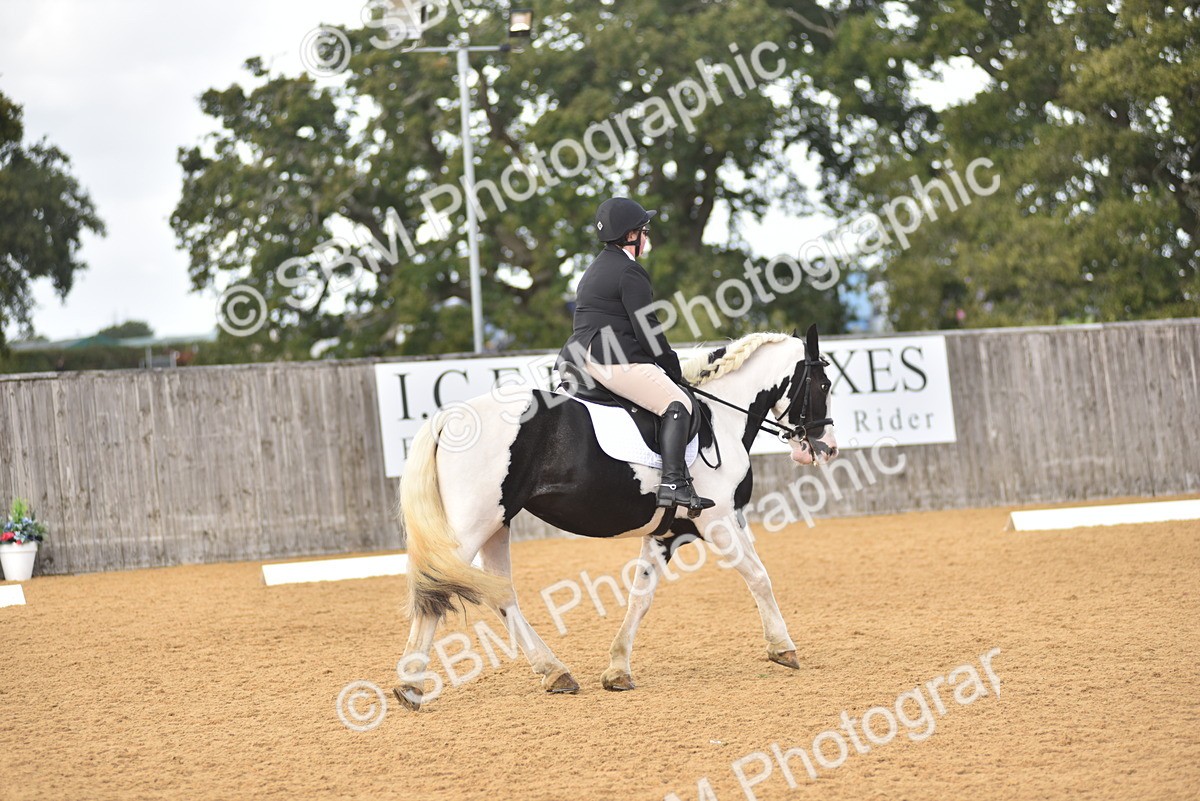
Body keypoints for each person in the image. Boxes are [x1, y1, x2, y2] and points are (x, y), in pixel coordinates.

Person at [558, 197, 715, 513]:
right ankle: (673, 483)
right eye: (644, 230)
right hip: (611, 359)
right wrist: (672, 368)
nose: (647, 236)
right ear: (631, 235)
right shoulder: (630, 272)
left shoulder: (594, 269)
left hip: (578, 357)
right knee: (678, 404)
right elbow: (648, 329)